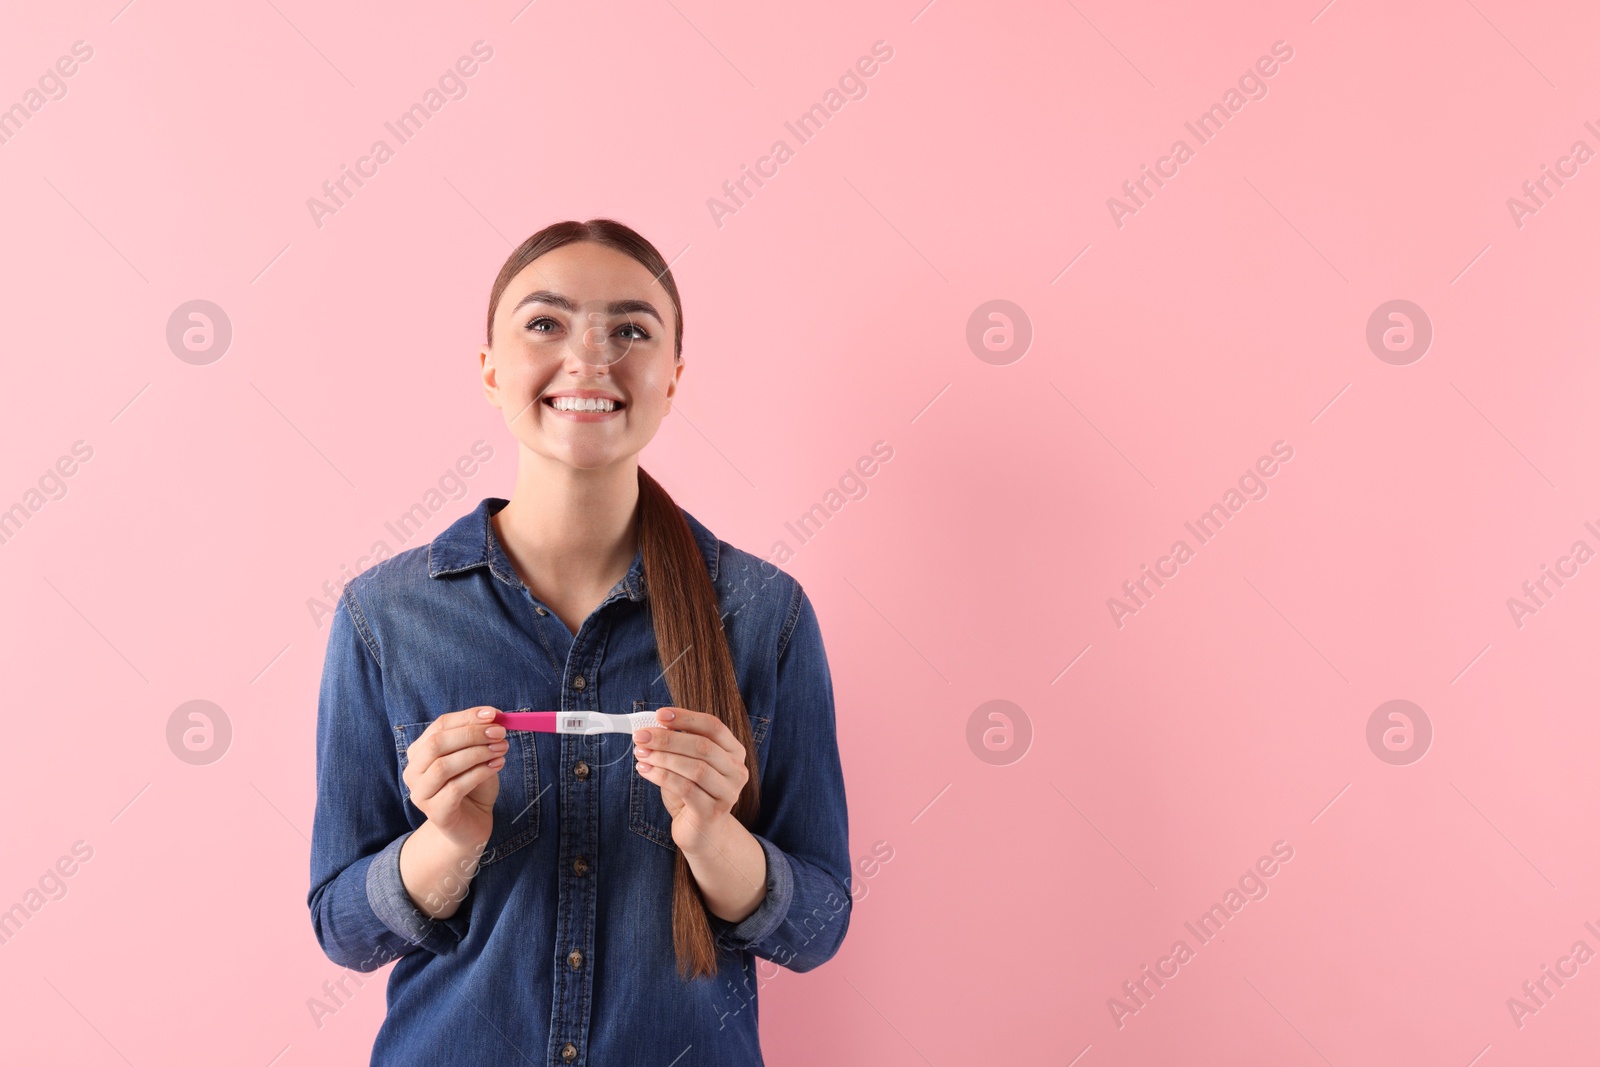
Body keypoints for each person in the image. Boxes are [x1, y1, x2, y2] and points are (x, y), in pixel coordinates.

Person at [307, 219, 852, 1065]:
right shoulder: (384, 615)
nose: (590, 358)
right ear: (489, 371)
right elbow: (343, 930)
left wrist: (715, 837)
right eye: (545, 323)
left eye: (631, 330)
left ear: (672, 379)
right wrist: (445, 841)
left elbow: (817, 927)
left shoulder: (764, 614)